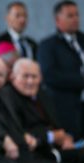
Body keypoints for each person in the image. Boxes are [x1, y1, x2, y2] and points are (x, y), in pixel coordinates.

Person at [5, 58, 84, 163]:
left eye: (34, 76)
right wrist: (51, 136)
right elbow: (18, 133)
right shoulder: (7, 98)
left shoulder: (42, 94)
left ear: (41, 78)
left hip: (57, 149)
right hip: (33, 155)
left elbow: (56, 125)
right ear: (12, 77)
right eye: (25, 76)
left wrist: (65, 138)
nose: (30, 81)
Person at [37, 0, 84, 139]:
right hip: (66, 108)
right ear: (58, 20)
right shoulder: (48, 45)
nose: (75, 19)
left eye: (77, 15)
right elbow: (49, 76)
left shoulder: (82, 40)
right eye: (70, 15)